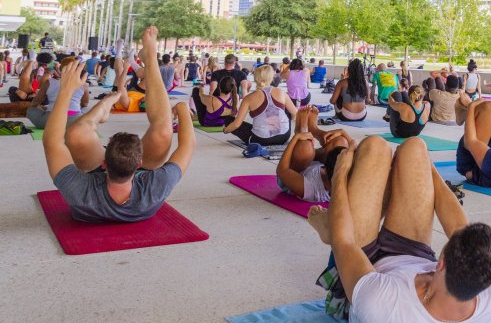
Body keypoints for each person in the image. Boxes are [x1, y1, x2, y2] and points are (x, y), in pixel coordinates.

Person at [307, 136, 491, 323]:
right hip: (412, 253)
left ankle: (330, 226)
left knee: (374, 147)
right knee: (415, 148)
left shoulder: (383, 307)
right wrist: (426, 167)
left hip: (364, 265)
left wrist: (339, 175)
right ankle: (345, 214)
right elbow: (458, 225)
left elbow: (345, 241)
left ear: (441, 263)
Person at [44, 26, 194, 223]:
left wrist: (66, 91)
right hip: (135, 186)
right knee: (163, 130)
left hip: (99, 181)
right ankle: (150, 59)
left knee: (77, 133)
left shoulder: (79, 191)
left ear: (103, 163)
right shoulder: (156, 186)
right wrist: (182, 109)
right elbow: (188, 146)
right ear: (139, 164)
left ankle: (107, 102)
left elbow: (52, 141)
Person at [276, 106, 352, 203]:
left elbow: (282, 170)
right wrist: (343, 132)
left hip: (294, 171)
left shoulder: (311, 189)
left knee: (305, 149)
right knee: (341, 141)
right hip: (317, 167)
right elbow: (357, 149)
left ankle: (301, 131)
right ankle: (314, 129)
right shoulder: (345, 179)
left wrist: (296, 138)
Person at [222, 64, 298, 146]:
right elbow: (295, 113)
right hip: (283, 137)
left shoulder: (249, 98)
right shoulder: (281, 92)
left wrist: (226, 130)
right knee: (287, 109)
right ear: (271, 77)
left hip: (261, 140)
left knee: (229, 120)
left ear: (255, 78)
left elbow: (236, 124)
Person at [26, 53, 89, 128]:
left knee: (31, 110)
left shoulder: (49, 82)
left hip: (50, 121)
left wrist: (41, 107)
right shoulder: (83, 85)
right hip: (74, 120)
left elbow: (36, 101)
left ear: (61, 68)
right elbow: (84, 104)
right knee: (86, 109)